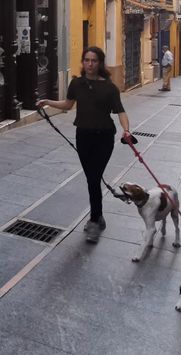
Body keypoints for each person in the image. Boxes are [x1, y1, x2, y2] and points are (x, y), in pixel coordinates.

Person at [38, 46, 133, 243]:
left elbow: (120, 111)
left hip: (104, 137)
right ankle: (98, 218)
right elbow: (67, 105)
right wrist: (48, 102)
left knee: (93, 179)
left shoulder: (109, 88)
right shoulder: (76, 84)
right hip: (83, 136)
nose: (90, 64)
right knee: (93, 179)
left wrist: (126, 130)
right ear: (83, 62)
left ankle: (94, 221)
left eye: (94, 60)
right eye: (87, 60)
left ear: (100, 63)